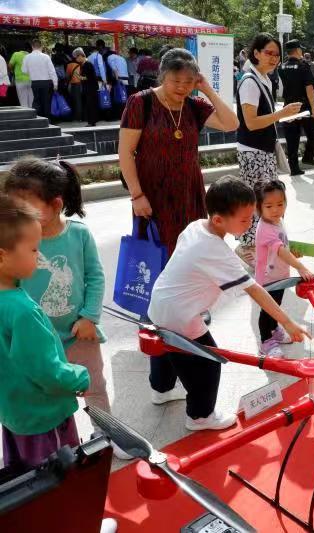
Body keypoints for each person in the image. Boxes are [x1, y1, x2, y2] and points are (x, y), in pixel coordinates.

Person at [147, 177, 309, 431]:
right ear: (219, 220)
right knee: (210, 362)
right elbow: (254, 289)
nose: (249, 224)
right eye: (244, 220)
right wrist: (287, 322)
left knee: (166, 347)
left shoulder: (195, 227)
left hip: (158, 303)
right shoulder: (217, 251)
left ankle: (161, 390)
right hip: (182, 316)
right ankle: (200, 416)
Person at [2, 158, 114, 447]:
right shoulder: (16, 243)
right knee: (48, 388)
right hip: (38, 339)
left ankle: (105, 432)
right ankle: (58, 439)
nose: (18, 214)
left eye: (25, 207)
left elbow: (95, 276)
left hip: (79, 333)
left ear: (55, 204)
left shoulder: (78, 233)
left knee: (94, 386)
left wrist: (90, 316)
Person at [119, 48, 239, 256]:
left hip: (189, 193)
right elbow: (125, 152)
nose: (183, 87)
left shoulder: (194, 106)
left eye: (189, 81)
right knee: (156, 256)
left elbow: (231, 124)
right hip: (153, 193)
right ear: (163, 76)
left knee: (192, 253)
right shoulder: (141, 102)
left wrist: (208, 90)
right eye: (176, 81)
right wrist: (136, 195)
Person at [0, 194, 89, 469]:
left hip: (15, 413)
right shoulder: (24, 312)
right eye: (34, 250)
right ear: (2, 256)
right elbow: (46, 371)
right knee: (58, 482)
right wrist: (79, 377)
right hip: (45, 417)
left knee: (25, 481)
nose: (39, 258)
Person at [233, 34, 302, 267]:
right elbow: (251, 122)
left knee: (266, 199)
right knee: (257, 202)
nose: (274, 58)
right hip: (253, 152)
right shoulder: (250, 81)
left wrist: (281, 116)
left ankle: (264, 243)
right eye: (268, 53)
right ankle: (247, 247)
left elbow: (262, 118)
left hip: (263, 149)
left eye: (277, 54)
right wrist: (281, 115)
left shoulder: (263, 78)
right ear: (256, 53)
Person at [254, 180, 314, 357]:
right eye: (269, 206)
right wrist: (300, 267)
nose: (275, 210)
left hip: (278, 275)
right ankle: (266, 341)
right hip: (267, 279)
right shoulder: (265, 228)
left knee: (276, 305)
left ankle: (274, 330)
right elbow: (279, 250)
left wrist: (293, 252)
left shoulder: (277, 221)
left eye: (280, 204)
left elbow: (282, 245)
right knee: (267, 310)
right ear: (259, 208)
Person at [278, 40, 314, 176]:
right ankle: (308, 157)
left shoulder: (281, 67)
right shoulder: (303, 66)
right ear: (296, 50)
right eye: (300, 49)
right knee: (313, 133)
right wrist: (313, 109)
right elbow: (309, 89)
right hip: (304, 107)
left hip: (288, 106)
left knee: (292, 138)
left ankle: (294, 168)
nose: (302, 51)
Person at [21, 40, 56, 119]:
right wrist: (55, 83)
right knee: (46, 101)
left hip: (35, 82)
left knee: (36, 101)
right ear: (41, 46)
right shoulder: (46, 57)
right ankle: (47, 120)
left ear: (32, 47)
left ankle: (36, 119)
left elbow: (24, 70)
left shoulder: (27, 57)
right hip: (46, 82)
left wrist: (32, 71)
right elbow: (52, 71)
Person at [65, 52, 83, 121]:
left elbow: (67, 76)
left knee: (73, 101)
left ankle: (74, 116)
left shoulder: (69, 65)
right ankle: (80, 117)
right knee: (79, 101)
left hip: (72, 85)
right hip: (79, 84)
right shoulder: (80, 65)